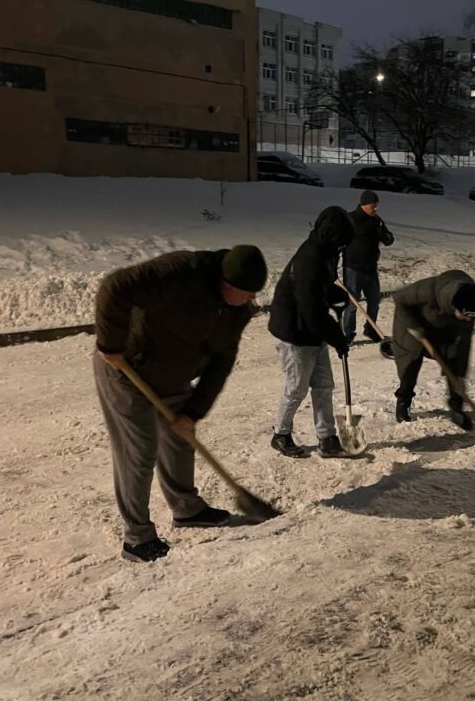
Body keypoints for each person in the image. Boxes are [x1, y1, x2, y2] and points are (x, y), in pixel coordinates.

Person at [94, 245, 268, 563]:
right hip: (128, 368)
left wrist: (193, 412)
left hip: (173, 374)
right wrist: (110, 343)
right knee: (139, 451)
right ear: (225, 283)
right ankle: (137, 538)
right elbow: (114, 286)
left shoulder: (238, 310)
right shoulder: (180, 273)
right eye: (246, 293)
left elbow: (222, 361)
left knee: (181, 438)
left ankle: (187, 510)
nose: (250, 301)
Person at [268, 206, 354, 459]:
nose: (342, 248)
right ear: (332, 235)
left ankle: (327, 438)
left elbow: (319, 292)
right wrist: (337, 337)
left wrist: (333, 294)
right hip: (294, 331)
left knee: (324, 384)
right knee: (296, 388)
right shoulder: (310, 260)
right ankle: (280, 434)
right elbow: (311, 310)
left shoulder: (326, 252)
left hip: (312, 329)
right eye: (341, 242)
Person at [391, 271, 475, 429]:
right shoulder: (427, 291)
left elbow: (464, 345)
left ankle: (457, 407)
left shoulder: (468, 306)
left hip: (444, 328)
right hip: (413, 326)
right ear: (455, 306)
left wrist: (460, 375)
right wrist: (413, 325)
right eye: (466, 315)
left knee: (454, 360)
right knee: (411, 362)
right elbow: (399, 298)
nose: (469, 319)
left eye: (473, 316)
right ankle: (403, 401)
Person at [342, 189, 395, 344]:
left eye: (377, 205)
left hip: (370, 268)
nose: (376, 208)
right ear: (365, 205)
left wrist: (382, 233)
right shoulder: (351, 219)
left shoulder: (376, 220)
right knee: (352, 304)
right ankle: (348, 335)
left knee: (374, 301)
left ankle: (370, 329)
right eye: (374, 205)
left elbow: (389, 239)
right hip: (353, 268)